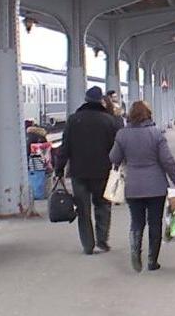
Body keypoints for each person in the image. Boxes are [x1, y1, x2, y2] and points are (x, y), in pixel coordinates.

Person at [109, 101, 175, 272]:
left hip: (133, 186)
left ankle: (135, 252)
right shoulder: (156, 133)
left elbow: (114, 158)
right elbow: (167, 160)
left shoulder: (122, 134)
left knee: (136, 222)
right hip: (156, 187)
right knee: (155, 223)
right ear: (148, 114)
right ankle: (152, 261)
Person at [55, 86, 122, 254]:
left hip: (79, 173)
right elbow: (116, 147)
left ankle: (87, 244)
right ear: (101, 101)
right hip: (103, 171)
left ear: (85, 100)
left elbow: (65, 147)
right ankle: (102, 240)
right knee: (103, 205)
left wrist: (59, 169)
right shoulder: (109, 121)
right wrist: (117, 165)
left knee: (83, 209)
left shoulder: (73, 120)